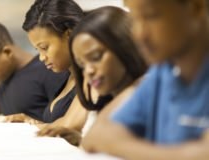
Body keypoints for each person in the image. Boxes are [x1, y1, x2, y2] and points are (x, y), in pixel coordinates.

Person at [82, 0, 209, 159]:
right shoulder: (162, 73)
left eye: (150, 16)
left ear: (195, 7)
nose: (139, 34)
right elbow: (97, 134)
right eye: (133, 19)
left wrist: (120, 145)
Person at [36, 6, 147, 146]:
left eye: (96, 57)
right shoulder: (105, 98)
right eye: (81, 64)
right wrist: (78, 139)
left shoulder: (145, 91)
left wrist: (97, 144)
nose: (88, 71)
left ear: (125, 47)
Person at [0, 20, 69, 122]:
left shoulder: (49, 69)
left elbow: (64, 118)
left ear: (7, 52)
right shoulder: (7, 77)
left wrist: (33, 123)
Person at [6, 0, 85, 124]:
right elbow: (57, 126)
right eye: (37, 50)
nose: (42, 57)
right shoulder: (67, 77)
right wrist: (32, 122)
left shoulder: (90, 79)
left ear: (69, 34)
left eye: (44, 48)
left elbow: (69, 127)